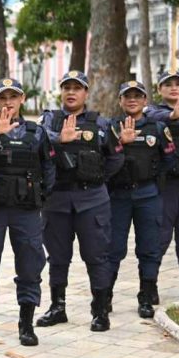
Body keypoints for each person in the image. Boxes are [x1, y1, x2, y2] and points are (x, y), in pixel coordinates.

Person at [0, 78, 54, 347]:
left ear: (22, 99)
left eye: (13, 97)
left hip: (26, 211)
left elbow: (49, 168)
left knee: (30, 264)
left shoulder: (36, 133)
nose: (8, 102)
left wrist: (40, 197)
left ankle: (26, 323)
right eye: (2, 97)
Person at [37, 71, 124, 332]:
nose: (71, 92)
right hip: (57, 200)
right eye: (67, 88)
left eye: (77, 88)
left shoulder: (101, 124)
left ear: (86, 93)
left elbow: (116, 158)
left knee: (97, 256)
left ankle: (99, 311)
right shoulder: (49, 122)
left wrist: (95, 178)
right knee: (57, 257)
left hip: (92, 200)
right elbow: (38, 146)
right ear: (61, 92)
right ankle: (57, 307)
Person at [107, 81, 174, 318]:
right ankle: (105, 298)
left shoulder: (156, 128)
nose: (132, 99)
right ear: (120, 101)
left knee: (149, 248)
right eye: (127, 96)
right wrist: (119, 144)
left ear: (145, 101)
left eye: (137, 96)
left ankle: (146, 296)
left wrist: (156, 186)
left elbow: (169, 160)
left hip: (148, 195)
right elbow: (104, 161)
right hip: (119, 196)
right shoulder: (112, 128)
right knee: (113, 249)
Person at [146, 70, 179, 299]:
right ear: (159, 89)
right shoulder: (153, 112)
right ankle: (150, 286)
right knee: (160, 237)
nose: (174, 87)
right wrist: (174, 115)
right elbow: (150, 119)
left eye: (178, 84)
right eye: (168, 84)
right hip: (166, 186)